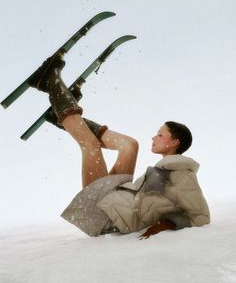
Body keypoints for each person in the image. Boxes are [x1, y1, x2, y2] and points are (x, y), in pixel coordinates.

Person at [30, 52, 210, 238]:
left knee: (91, 146)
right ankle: (64, 117)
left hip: (107, 217)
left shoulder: (183, 175)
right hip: (119, 200)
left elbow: (201, 216)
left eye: (160, 134)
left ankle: (50, 82)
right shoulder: (165, 168)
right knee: (130, 145)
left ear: (174, 142)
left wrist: (165, 225)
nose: (154, 137)